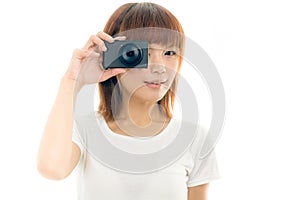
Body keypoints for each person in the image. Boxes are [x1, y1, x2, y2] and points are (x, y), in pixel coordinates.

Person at [37, 2, 220, 200]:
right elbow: (52, 168)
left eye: (170, 53)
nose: (159, 66)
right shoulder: (87, 129)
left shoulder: (193, 138)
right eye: (143, 52)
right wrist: (73, 81)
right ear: (115, 55)